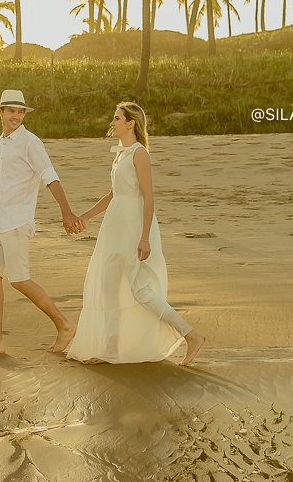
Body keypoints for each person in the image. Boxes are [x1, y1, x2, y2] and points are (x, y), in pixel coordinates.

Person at [67, 102, 207, 366]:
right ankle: (110, 349)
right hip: (114, 227)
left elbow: (148, 196)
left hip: (133, 227)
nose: (112, 122)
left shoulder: (139, 153)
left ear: (131, 123)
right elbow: (113, 194)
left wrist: (144, 237)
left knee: (139, 290)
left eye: (117, 118)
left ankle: (191, 336)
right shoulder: (120, 154)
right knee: (109, 288)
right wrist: (85, 216)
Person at [0, 89, 83, 355]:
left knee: (19, 280)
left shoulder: (30, 142)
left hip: (17, 220)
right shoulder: (2, 142)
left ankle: (65, 325)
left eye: (20, 112)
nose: (16, 116)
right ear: (1, 112)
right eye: (11, 111)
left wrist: (66, 212)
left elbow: (49, 175)